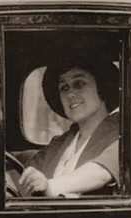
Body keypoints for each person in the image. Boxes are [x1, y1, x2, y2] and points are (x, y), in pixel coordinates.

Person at [14, 55, 120, 198]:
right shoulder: (59, 144)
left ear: (103, 87)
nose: (70, 94)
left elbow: (100, 173)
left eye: (79, 84)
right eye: (64, 87)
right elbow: (23, 176)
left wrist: (50, 186)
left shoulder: (126, 136)